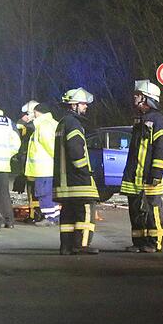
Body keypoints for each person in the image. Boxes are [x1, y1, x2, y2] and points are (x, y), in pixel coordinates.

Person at [122, 79, 163, 253]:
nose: (134, 98)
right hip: (134, 175)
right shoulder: (139, 120)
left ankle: (154, 242)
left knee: (152, 209)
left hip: (150, 176)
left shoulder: (157, 120)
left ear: (146, 98)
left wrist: (157, 173)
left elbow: (162, 148)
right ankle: (139, 242)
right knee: (135, 210)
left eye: (138, 95)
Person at [54, 88, 100, 255]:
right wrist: (85, 170)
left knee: (67, 214)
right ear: (73, 105)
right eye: (83, 104)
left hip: (64, 182)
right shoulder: (74, 124)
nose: (85, 107)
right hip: (78, 181)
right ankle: (81, 245)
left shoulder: (62, 123)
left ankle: (66, 246)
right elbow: (75, 150)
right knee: (85, 212)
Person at [26, 101, 60, 224]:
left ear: (36, 112)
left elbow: (49, 145)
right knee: (51, 194)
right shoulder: (54, 123)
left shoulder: (43, 126)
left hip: (43, 168)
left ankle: (50, 218)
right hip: (50, 167)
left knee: (43, 194)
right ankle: (55, 216)